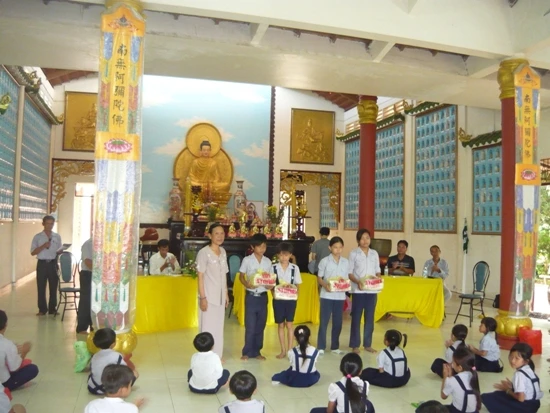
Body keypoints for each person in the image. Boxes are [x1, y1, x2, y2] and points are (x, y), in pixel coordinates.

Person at [197, 223, 229, 359]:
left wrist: (226, 294)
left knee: (218, 327)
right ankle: (206, 357)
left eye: (222, 233)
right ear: (210, 235)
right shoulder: (204, 253)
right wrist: (202, 298)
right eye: (216, 233)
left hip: (220, 297)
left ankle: (217, 356)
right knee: (207, 327)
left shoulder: (223, 252)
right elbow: (200, 276)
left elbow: (224, 275)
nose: (220, 236)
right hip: (209, 297)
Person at [239, 233, 273, 360]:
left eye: (264, 246)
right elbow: (241, 276)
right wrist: (246, 284)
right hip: (251, 296)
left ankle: (257, 351)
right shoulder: (247, 260)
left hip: (263, 296)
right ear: (253, 247)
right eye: (259, 246)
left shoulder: (268, 261)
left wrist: (270, 286)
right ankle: (247, 352)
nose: (262, 249)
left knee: (260, 325)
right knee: (250, 325)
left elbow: (270, 279)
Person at [481, 343, 543, 413]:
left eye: (517, 358)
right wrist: (512, 386)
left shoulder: (519, 374)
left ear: (526, 361)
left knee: (488, 397)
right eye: (511, 356)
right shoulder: (529, 369)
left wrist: (507, 390)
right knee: (500, 394)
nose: (512, 361)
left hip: (525, 407)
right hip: (535, 404)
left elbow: (521, 399)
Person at [348, 229, 380, 354]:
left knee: (370, 318)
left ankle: (368, 344)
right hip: (358, 291)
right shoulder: (353, 254)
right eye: (362, 238)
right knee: (356, 318)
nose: (365, 241)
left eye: (367, 238)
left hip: (371, 291)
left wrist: (378, 279)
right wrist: (358, 282)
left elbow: (377, 270)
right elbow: (350, 273)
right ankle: (355, 345)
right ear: (358, 240)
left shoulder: (374, 253)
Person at [309, 352, 375, 413]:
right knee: (369, 404)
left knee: (314, 411)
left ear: (341, 369)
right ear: (360, 371)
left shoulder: (335, 386)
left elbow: (330, 410)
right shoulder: (365, 384)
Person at [317, 237, 349, 355]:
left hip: (340, 296)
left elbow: (346, 278)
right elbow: (319, 278)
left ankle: (335, 347)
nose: (338, 250)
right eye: (335, 247)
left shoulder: (346, 262)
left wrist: (345, 285)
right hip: (327, 296)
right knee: (324, 321)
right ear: (330, 248)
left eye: (340, 247)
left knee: (338, 322)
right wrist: (325, 286)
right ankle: (321, 346)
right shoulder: (324, 261)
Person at [272, 242, 302, 359]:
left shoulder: (295, 268)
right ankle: (283, 350)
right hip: (278, 300)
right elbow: (271, 283)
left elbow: (298, 284)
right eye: (281, 255)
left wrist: (296, 294)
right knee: (280, 325)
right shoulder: (273, 268)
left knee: (289, 324)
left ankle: (290, 350)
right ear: (278, 255)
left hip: (290, 300)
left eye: (286, 255)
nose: (284, 257)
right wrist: (273, 293)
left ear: (290, 255)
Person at [88, 328, 139, 395]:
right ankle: (122, 390)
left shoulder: (95, 356)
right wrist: (125, 359)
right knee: (135, 373)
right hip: (109, 390)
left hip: (92, 388)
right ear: (113, 344)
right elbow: (125, 371)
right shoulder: (117, 356)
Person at [30, 215, 62, 316]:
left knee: (53, 287)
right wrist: (43, 246)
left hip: (53, 263)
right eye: (48, 223)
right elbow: (33, 252)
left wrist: (60, 251)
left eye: (52, 224)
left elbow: (59, 249)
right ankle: (42, 309)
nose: (50, 226)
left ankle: (52, 308)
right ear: (43, 224)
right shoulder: (37, 237)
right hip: (42, 264)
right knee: (41, 287)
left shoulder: (57, 236)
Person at [0, 311, 38, 392]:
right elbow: (14, 368)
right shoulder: (7, 344)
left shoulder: (8, 345)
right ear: (5, 325)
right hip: (3, 383)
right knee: (33, 369)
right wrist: (24, 352)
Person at [441, 347, 481, 413]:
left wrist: (445, 376)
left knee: (435, 408)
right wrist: (450, 376)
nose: (452, 365)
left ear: (460, 367)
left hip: (457, 411)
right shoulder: (473, 375)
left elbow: (443, 396)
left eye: (453, 363)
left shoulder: (453, 380)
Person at [76, 237, 93, 334]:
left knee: (95, 301)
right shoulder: (88, 244)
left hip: (97, 275)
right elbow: (88, 262)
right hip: (88, 275)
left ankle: (93, 325)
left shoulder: (102, 244)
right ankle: (82, 327)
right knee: (86, 301)